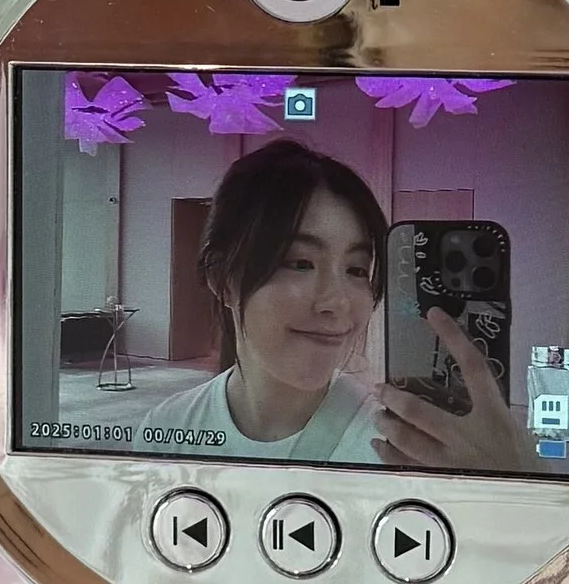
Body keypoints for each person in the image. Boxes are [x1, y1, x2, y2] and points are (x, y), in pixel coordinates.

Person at [137, 136, 535, 473]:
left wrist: (520, 482)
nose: (336, 302)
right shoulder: (167, 430)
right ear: (223, 280)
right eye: (300, 263)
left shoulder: (403, 446)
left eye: (357, 269)